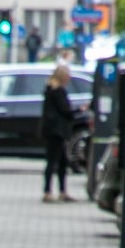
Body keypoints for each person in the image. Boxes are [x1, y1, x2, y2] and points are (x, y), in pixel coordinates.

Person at [40, 64, 76, 203]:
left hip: (51, 130)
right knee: (55, 162)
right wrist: (79, 110)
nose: (69, 78)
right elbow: (65, 111)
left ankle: (59, 191)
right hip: (58, 131)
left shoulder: (49, 90)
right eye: (68, 75)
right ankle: (50, 192)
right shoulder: (59, 91)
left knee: (60, 162)